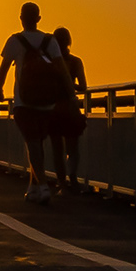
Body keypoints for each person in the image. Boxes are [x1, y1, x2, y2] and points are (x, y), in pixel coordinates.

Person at [0, 0, 73, 202]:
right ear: (39, 18)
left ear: (21, 18)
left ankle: (44, 186)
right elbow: (63, 71)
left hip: (24, 101)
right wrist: (71, 95)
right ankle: (33, 187)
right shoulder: (51, 41)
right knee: (37, 143)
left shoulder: (15, 41)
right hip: (48, 101)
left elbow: (3, 70)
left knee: (33, 144)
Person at [51, 27, 91, 196]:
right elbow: (83, 87)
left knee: (57, 148)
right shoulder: (75, 62)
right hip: (70, 108)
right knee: (72, 147)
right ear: (69, 42)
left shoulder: (49, 61)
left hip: (52, 108)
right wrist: (70, 84)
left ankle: (62, 183)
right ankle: (72, 179)